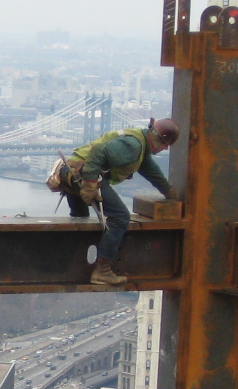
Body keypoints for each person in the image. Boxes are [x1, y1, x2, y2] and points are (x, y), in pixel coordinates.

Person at [57, 117, 180, 286]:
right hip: (83, 174)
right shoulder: (134, 146)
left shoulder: (140, 146)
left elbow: (152, 172)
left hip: (71, 172)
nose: (165, 148)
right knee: (120, 217)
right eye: (166, 145)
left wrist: (169, 193)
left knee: (80, 219)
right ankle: (102, 271)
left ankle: (66, 265)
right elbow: (98, 152)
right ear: (161, 141)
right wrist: (90, 185)